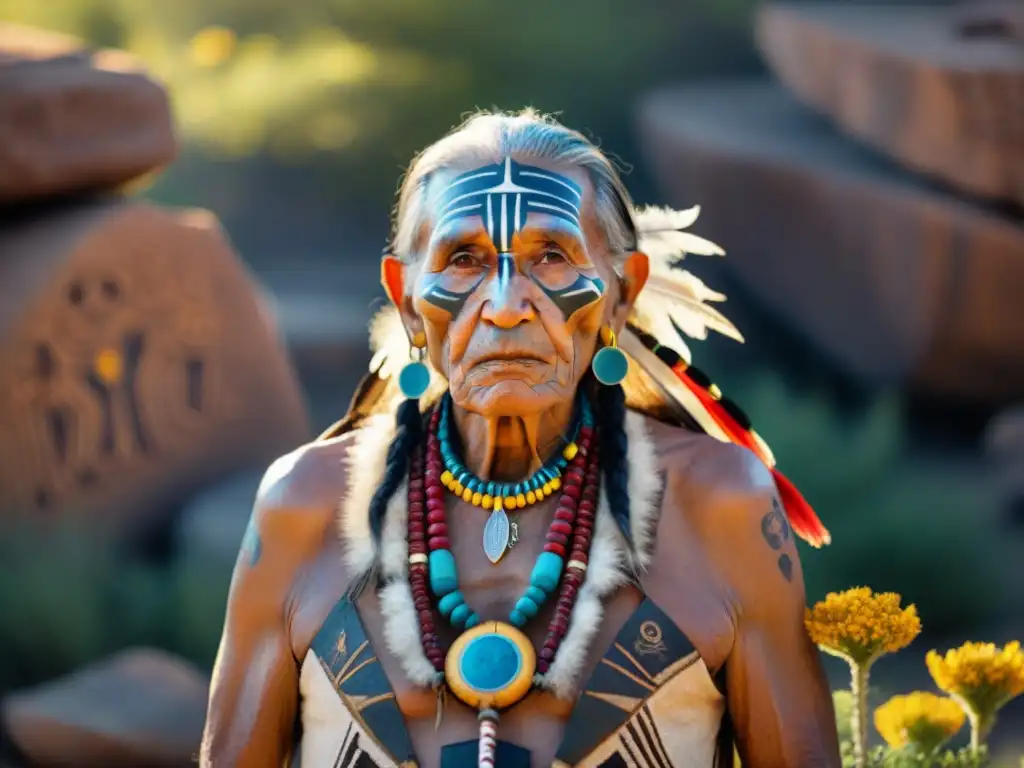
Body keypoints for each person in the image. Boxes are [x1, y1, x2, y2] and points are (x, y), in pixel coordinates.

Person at [200, 109, 841, 767]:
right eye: (464, 259)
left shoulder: (721, 505)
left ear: (622, 292)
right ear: (406, 296)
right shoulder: (304, 507)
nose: (506, 304)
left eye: (552, 256)